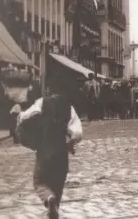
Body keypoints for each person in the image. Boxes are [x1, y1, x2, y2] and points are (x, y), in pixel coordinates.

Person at [18, 90, 83, 219]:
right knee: (58, 184)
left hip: (45, 151)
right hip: (62, 153)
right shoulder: (69, 107)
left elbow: (27, 115)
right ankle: (54, 208)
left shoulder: (42, 102)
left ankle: (49, 199)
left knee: (39, 181)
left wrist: (20, 116)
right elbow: (78, 133)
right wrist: (71, 141)